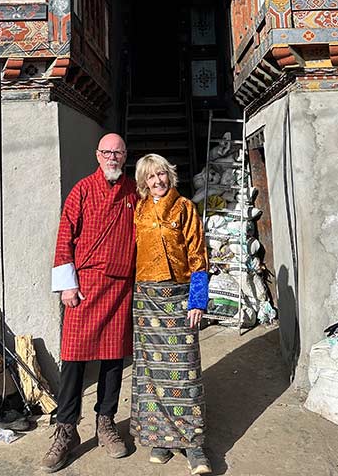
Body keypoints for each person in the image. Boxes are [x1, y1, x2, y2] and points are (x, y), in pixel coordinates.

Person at [42, 133, 136, 473]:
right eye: (107, 152)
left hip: (120, 287)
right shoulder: (81, 190)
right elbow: (64, 236)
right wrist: (67, 286)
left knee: (113, 360)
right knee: (74, 360)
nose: (112, 157)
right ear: (98, 155)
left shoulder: (134, 193)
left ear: (125, 156)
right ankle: (66, 429)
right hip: (83, 286)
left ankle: (106, 423)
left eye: (118, 152)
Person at [130, 153, 212, 476]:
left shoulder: (186, 208)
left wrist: (197, 300)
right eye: (151, 177)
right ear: (143, 183)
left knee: (185, 367)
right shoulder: (139, 210)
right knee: (152, 372)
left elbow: (199, 255)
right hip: (147, 298)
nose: (158, 181)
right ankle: (160, 438)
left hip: (179, 298)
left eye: (162, 174)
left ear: (170, 176)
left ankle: (194, 444)